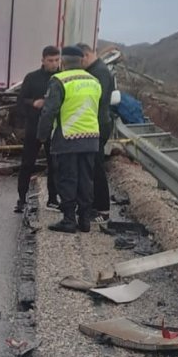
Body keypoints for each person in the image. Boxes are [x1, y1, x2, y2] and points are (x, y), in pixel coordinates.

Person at [36, 45, 102, 234]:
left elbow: (49, 111)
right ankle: (85, 220)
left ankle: (69, 220)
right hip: (91, 138)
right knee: (86, 180)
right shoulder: (94, 81)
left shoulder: (59, 80)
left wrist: (42, 135)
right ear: (81, 61)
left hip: (68, 137)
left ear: (63, 62)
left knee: (67, 179)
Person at [14, 46, 61, 213]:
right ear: (43, 60)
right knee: (27, 163)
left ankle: (53, 199)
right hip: (34, 126)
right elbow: (20, 101)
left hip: (54, 128)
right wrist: (33, 103)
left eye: (57, 60)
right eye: (50, 60)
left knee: (54, 165)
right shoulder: (32, 78)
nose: (54, 64)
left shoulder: (62, 78)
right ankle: (22, 198)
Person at [80, 44, 115, 216]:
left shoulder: (99, 72)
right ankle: (91, 204)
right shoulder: (95, 70)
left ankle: (102, 208)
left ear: (86, 55)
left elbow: (96, 99)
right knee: (91, 166)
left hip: (98, 124)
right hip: (95, 123)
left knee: (96, 167)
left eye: (79, 61)